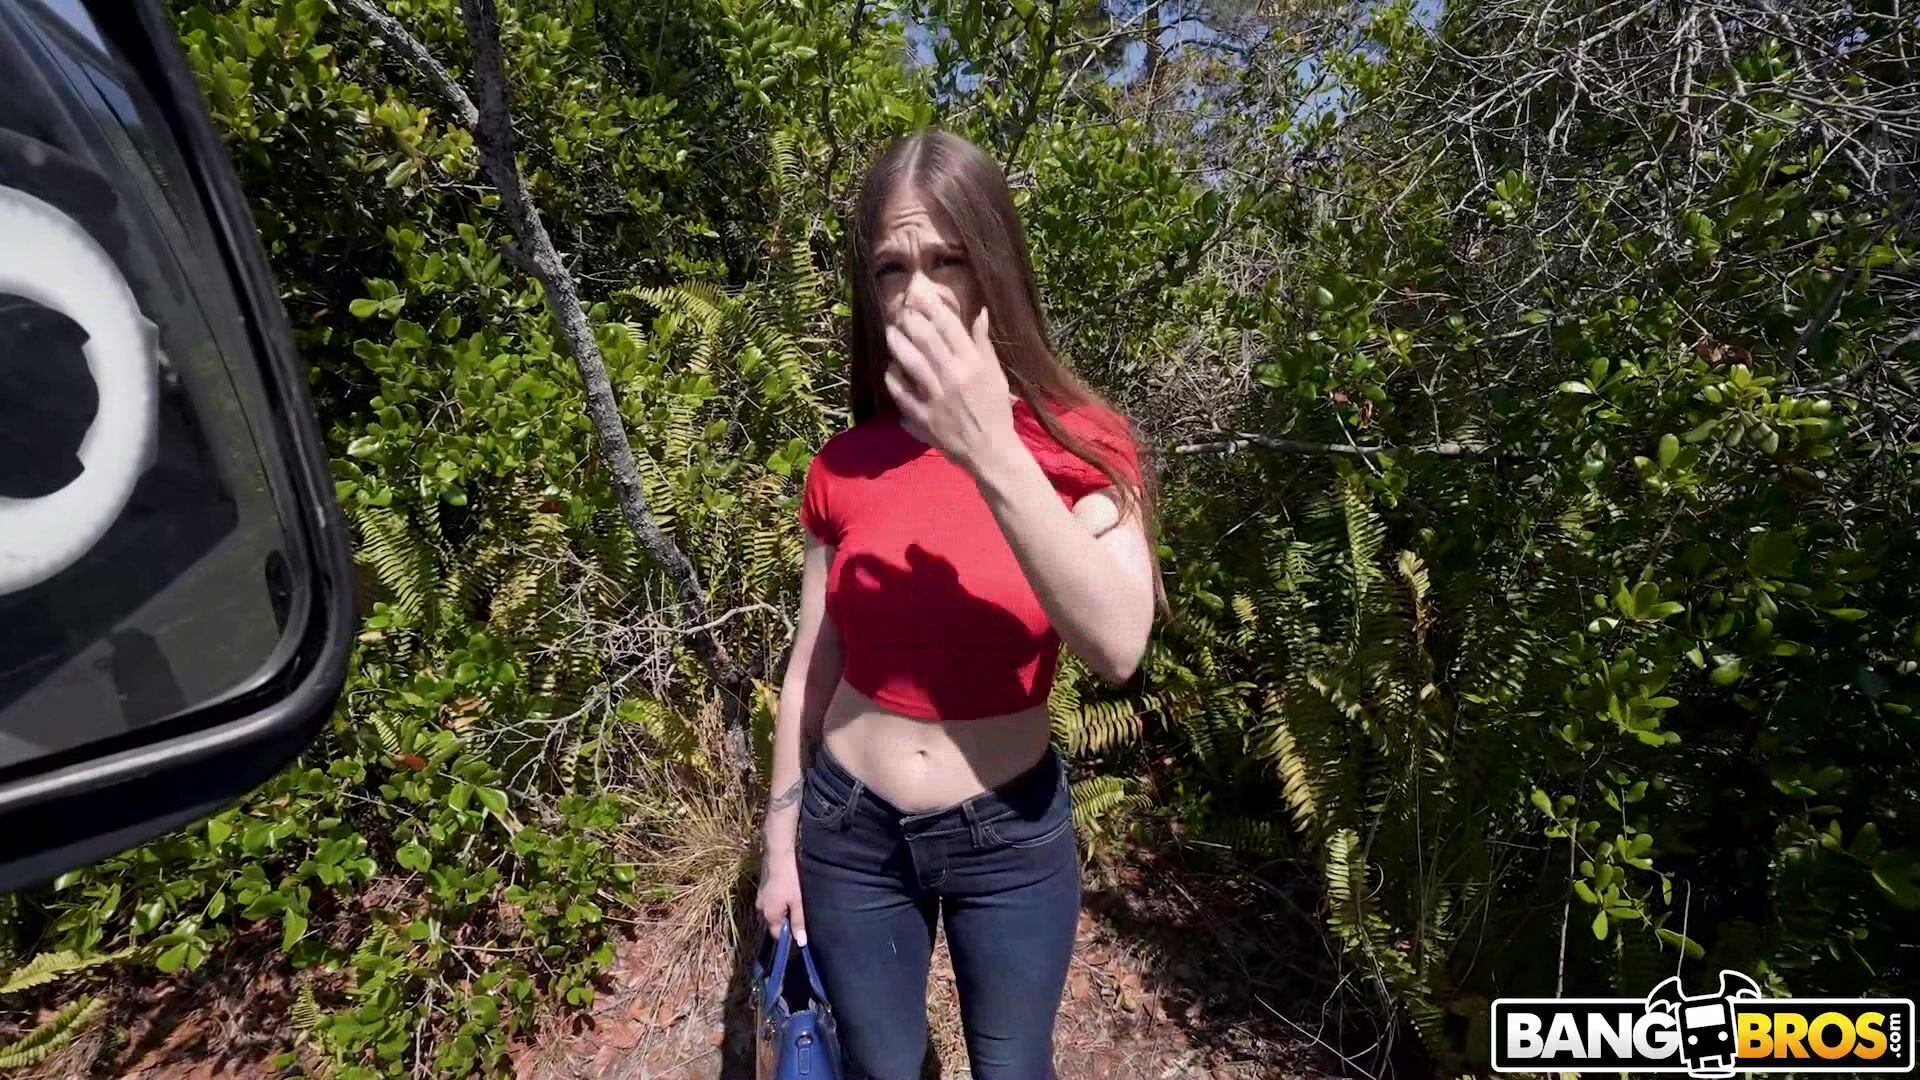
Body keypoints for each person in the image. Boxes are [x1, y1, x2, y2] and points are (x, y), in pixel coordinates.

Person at [754, 127, 1161, 1080]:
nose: (920, 293)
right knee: (883, 1065)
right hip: (851, 828)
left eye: (948, 259)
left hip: (1008, 833)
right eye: (892, 268)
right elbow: (812, 663)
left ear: (996, 266)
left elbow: (1117, 645)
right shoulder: (845, 464)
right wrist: (779, 838)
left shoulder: (1083, 444)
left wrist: (987, 446)